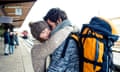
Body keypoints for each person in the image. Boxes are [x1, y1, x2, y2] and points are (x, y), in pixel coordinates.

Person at [31, 8, 79, 72]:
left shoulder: (64, 40)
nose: (50, 31)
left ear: (59, 20)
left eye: (50, 26)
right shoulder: (72, 33)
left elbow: (56, 68)